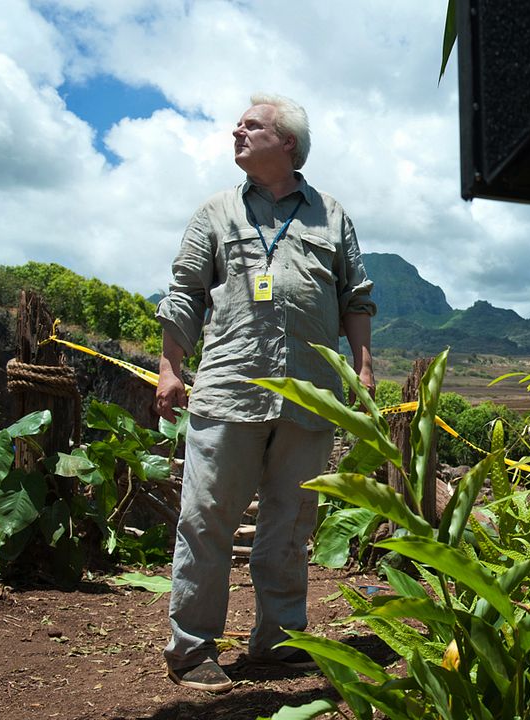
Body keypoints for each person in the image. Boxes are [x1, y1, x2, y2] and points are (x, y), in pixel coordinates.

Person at [154, 93, 375, 692]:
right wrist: (170, 366)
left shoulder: (331, 216)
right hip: (230, 387)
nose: (237, 131)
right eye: (238, 125)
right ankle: (192, 648)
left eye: (252, 126)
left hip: (310, 396)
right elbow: (183, 292)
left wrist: (363, 368)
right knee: (206, 519)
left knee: (292, 522)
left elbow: (355, 298)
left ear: (288, 144)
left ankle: (277, 642)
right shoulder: (215, 213)